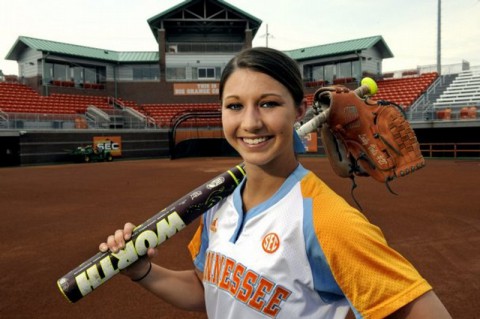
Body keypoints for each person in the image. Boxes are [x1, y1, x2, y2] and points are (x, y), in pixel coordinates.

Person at [99, 47, 452, 319]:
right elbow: (208, 287)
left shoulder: (326, 220)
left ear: (299, 111)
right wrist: (142, 270)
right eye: (235, 106)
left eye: (268, 103)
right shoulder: (218, 203)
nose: (251, 123)